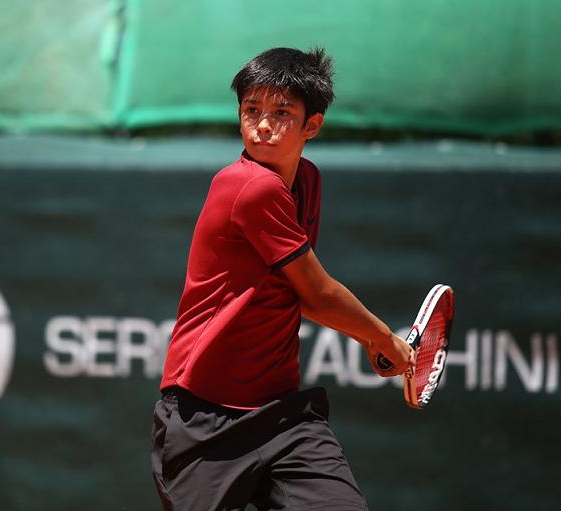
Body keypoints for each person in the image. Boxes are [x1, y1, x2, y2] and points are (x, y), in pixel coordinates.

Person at [151, 47, 413, 511]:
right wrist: (381, 339)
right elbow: (319, 292)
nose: (263, 124)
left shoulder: (306, 180)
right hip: (202, 419)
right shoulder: (250, 187)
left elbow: (303, 297)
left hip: (284, 418)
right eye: (251, 110)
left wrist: (372, 340)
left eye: (282, 112)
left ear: (312, 125)